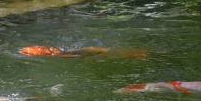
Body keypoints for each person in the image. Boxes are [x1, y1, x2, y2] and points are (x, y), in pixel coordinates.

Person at [19, 45, 147, 59]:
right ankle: (135, 53)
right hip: (85, 51)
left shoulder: (61, 56)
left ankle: (134, 54)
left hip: (83, 52)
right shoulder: (59, 54)